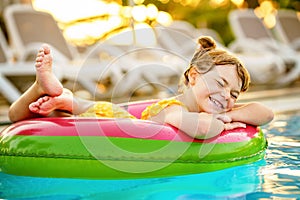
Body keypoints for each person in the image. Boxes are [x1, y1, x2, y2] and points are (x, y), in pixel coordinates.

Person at [8, 36, 274, 139]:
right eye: (220, 83)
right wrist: (222, 119)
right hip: (110, 120)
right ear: (193, 77)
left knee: (24, 116)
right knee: (21, 119)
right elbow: (208, 128)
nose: (226, 96)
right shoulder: (174, 111)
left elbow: (266, 113)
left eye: (234, 94)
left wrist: (231, 112)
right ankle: (48, 90)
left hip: (112, 113)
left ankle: (54, 93)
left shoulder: (208, 105)